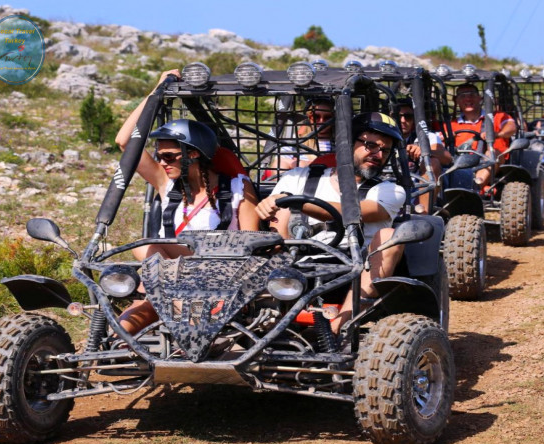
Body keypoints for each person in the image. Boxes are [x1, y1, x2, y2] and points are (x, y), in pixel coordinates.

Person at [113, 69, 260, 334]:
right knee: (145, 256)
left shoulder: (238, 189)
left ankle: (191, 324)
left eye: (169, 156)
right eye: (160, 156)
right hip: (171, 281)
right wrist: (157, 91)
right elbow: (125, 142)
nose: (162, 163)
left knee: (152, 248)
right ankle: (116, 349)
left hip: (222, 277)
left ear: (193, 154)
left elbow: (251, 243)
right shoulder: (167, 185)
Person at [255, 112, 406, 334]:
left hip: (355, 270)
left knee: (390, 236)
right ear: (346, 144)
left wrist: (289, 201)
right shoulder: (297, 178)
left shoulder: (390, 190)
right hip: (299, 265)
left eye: (385, 150)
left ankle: (339, 325)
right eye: (371, 145)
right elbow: (277, 227)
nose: (378, 154)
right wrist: (268, 207)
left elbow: (351, 212)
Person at [450, 83, 517, 186]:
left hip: (494, 161)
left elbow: (511, 127)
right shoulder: (451, 125)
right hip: (461, 161)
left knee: (492, 154)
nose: (467, 99)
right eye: (462, 96)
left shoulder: (497, 116)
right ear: (456, 100)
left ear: (479, 98)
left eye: (471, 95)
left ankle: (476, 186)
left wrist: (498, 134)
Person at [398, 99, 452, 213]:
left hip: (417, 190)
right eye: (398, 116)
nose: (402, 120)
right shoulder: (381, 138)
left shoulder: (426, 137)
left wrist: (424, 151)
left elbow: (447, 158)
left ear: (414, 120)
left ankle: (423, 214)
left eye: (408, 117)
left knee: (433, 162)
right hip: (388, 187)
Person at [273, 97, 335, 170]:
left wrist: (304, 163)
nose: (321, 121)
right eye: (316, 117)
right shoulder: (297, 140)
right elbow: (278, 164)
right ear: (309, 117)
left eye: (327, 117)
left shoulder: (340, 142)